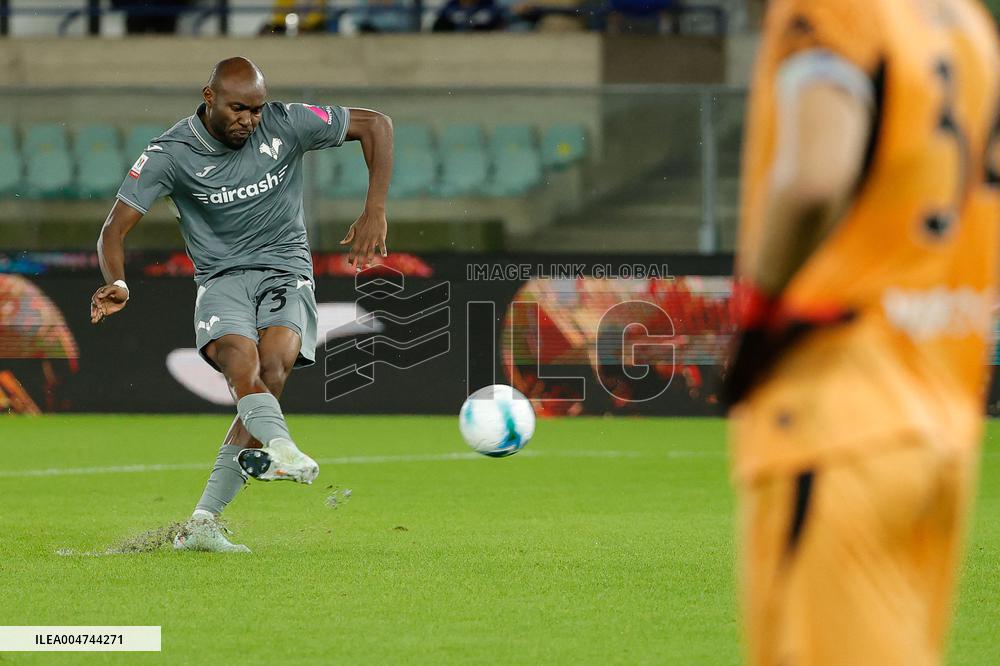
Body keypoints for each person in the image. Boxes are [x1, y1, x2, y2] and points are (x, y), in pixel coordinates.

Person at [725, 0, 999, 664]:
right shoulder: (969, 25)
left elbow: (814, 179)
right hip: (943, 422)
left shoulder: (835, 8)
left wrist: (758, 313)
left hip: (839, 412)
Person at [90, 57, 393, 553]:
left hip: (286, 271)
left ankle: (202, 524)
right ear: (208, 96)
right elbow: (113, 229)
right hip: (222, 279)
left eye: (256, 110)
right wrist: (118, 283)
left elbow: (376, 124)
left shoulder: (285, 122)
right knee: (240, 362)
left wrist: (374, 209)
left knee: (274, 367)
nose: (249, 121)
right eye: (237, 109)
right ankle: (282, 448)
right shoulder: (171, 153)